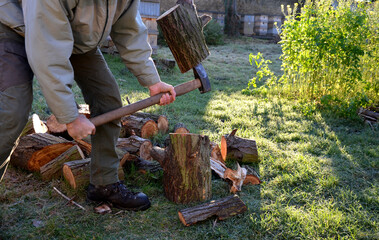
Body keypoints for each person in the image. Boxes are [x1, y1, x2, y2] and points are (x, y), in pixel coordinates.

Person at [1, 0, 179, 211]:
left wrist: (152, 80)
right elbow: (48, 50)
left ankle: (104, 184)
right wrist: (70, 117)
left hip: (73, 37)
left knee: (108, 101)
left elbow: (128, 29)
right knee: (11, 110)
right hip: (15, 29)